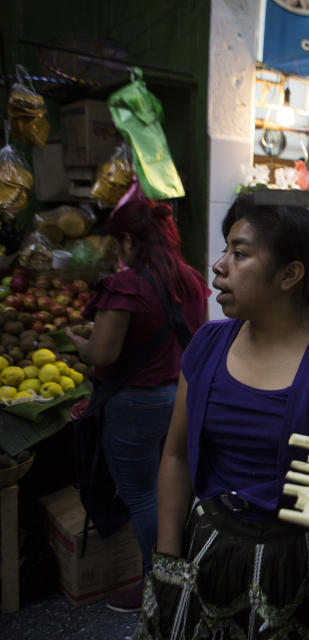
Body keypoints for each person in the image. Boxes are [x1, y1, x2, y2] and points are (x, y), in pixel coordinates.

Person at [139, 196, 309, 638]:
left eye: (240, 253)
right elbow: (175, 456)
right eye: (225, 250)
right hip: (209, 557)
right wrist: (168, 562)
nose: (219, 266)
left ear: (290, 274)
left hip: (306, 568)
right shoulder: (207, 346)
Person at [65, 199, 208, 612]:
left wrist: (78, 343)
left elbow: (103, 354)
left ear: (128, 239)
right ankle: (181, 575)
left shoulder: (126, 285)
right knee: (180, 490)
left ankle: (157, 586)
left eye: (117, 241)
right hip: (182, 397)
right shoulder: (193, 279)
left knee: (144, 496)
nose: (117, 250)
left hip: (136, 405)